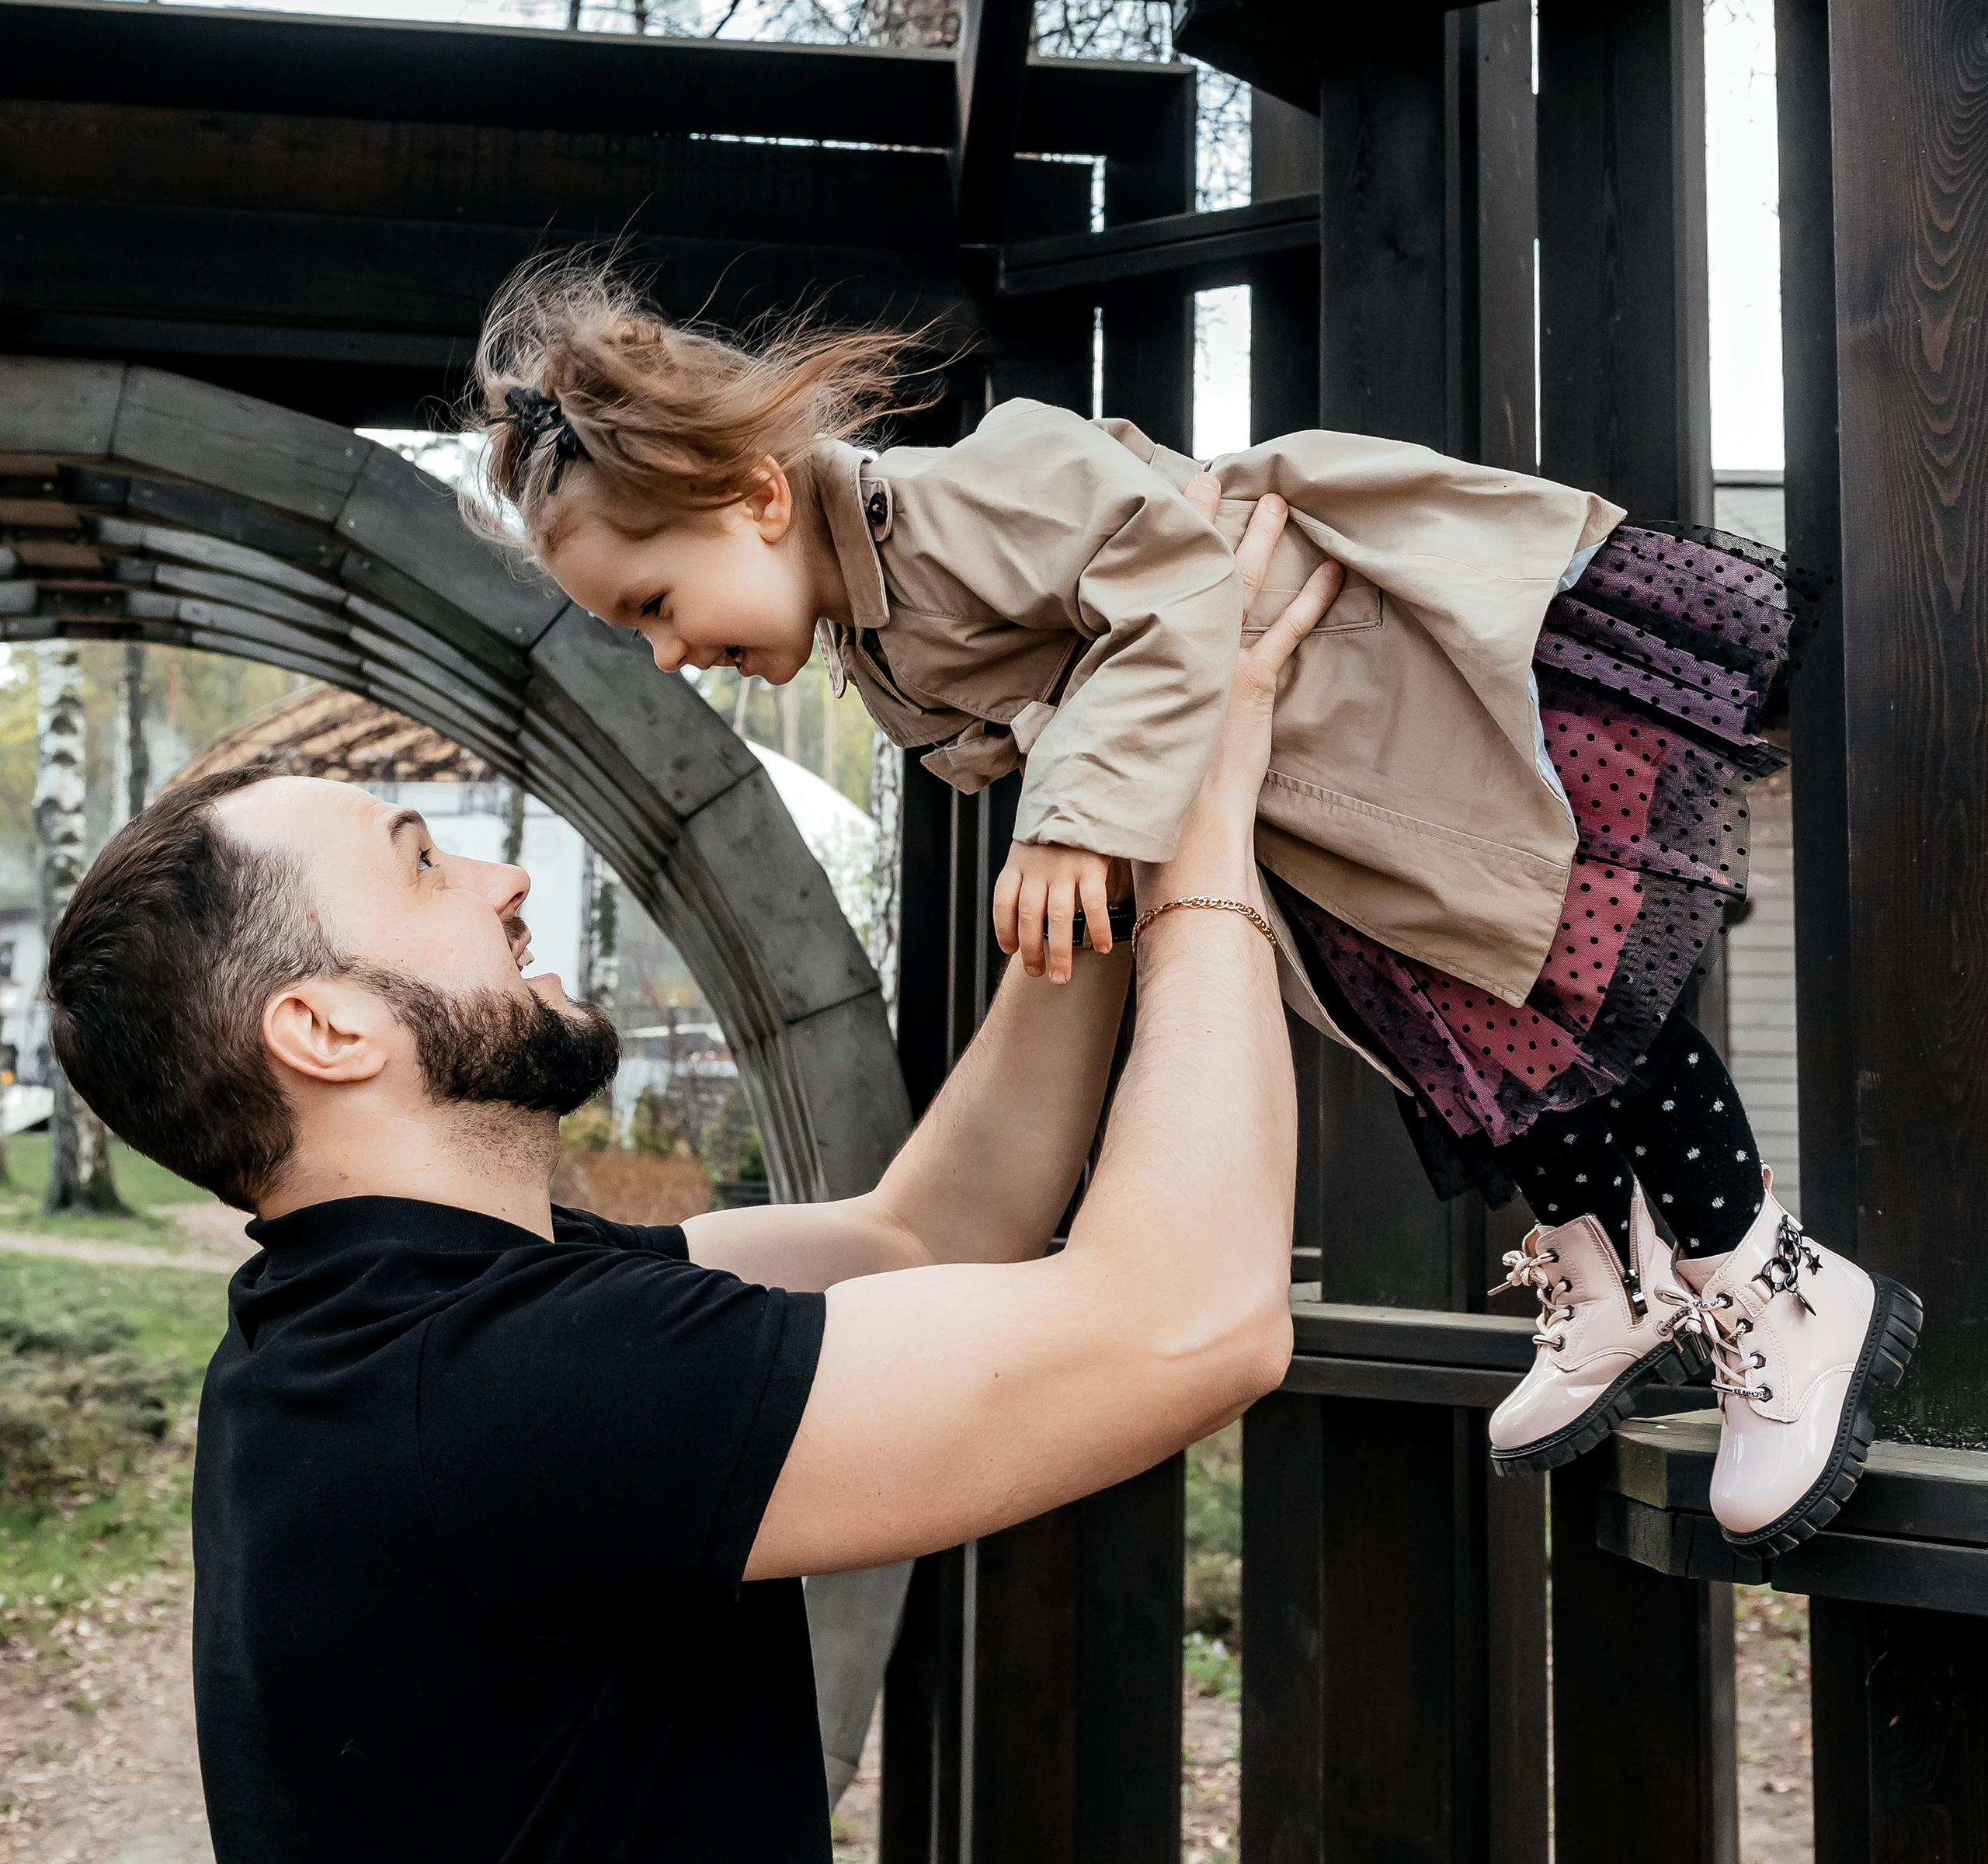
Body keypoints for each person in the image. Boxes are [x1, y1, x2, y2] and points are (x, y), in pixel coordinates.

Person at [41, 488, 1322, 1864]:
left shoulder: (404, 1327)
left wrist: (1092, 822)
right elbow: (1190, 1324)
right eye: (420, 862)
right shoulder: (498, 1394)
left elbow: (925, 1228)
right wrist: (1207, 842)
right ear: (326, 1030)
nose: (497, 874)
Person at [465, 258, 1920, 1558]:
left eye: (656, 602)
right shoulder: (869, 619)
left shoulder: (967, 492)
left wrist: (1073, 819)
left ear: (761, 497)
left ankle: (1774, 1275)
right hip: (1297, 792)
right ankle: (1614, 1263)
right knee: (1470, 1037)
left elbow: (1169, 584)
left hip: (1369, 703)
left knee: (1557, 984)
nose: (665, 655)